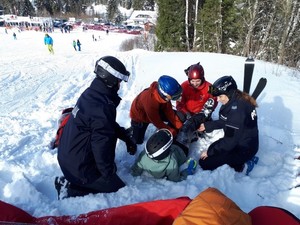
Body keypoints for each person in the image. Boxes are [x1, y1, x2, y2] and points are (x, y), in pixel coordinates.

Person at [56, 56, 137, 199]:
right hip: (78, 170)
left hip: (69, 160)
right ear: (110, 80)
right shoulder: (102, 106)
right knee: (118, 189)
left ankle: (74, 180)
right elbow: (101, 145)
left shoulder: (92, 94)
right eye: (119, 81)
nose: (119, 85)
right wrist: (108, 174)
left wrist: (126, 138)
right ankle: (69, 189)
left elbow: (106, 125)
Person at [198, 75, 259, 174]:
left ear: (229, 93)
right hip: (246, 142)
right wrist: (207, 126)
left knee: (204, 162)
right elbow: (226, 121)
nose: (217, 100)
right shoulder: (237, 100)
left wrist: (210, 151)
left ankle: (244, 165)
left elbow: (229, 141)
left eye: (220, 96)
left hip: (244, 148)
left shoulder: (237, 110)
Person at [129, 75, 183, 145]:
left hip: (156, 110)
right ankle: (133, 129)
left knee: (179, 116)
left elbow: (169, 111)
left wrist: (179, 125)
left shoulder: (164, 97)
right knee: (138, 141)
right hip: (140, 117)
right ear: (164, 94)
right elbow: (157, 121)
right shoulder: (150, 101)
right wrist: (170, 131)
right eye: (173, 96)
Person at [131, 129, 197, 182]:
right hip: (181, 150)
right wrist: (188, 171)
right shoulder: (171, 162)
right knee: (186, 129)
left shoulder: (144, 155)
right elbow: (176, 179)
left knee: (176, 130)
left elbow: (135, 170)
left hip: (172, 147)